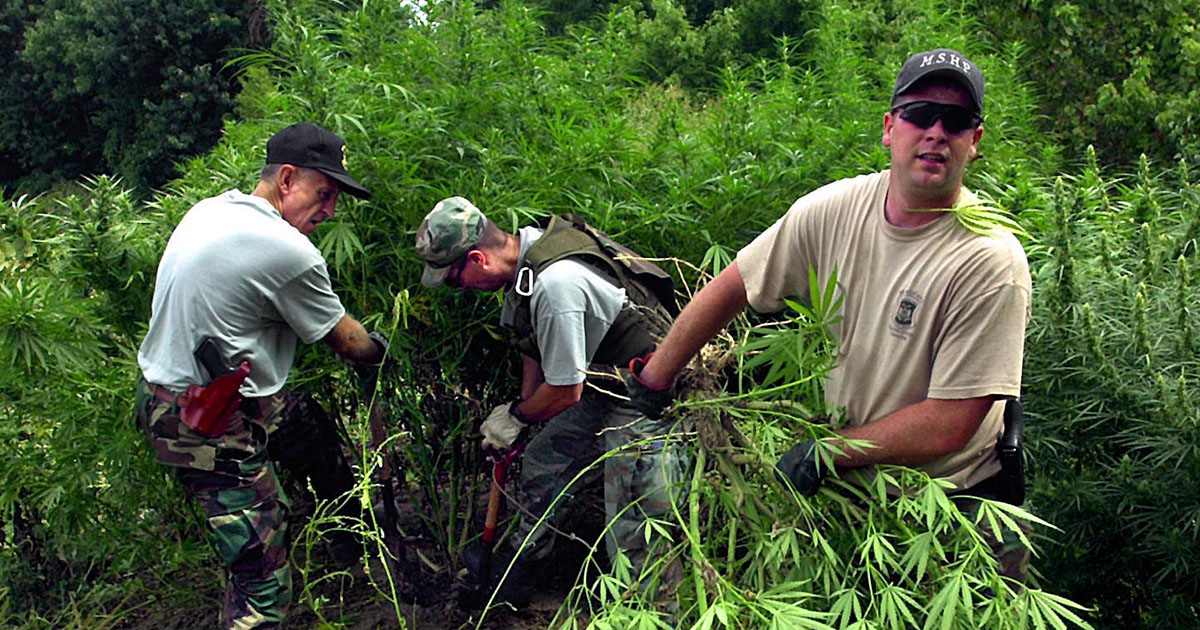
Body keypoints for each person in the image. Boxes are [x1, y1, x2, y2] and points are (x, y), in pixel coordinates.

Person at [626, 48, 1033, 582]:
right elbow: (735, 284)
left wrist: (827, 453)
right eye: (919, 114)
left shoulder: (989, 259)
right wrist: (658, 374)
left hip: (952, 514)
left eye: (956, 121)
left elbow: (950, 424)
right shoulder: (835, 209)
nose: (936, 132)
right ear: (890, 128)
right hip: (854, 496)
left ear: (974, 142)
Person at [135, 122, 388, 629]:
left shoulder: (212, 209)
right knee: (263, 580)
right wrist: (384, 352)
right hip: (203, 424)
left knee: (303, 425)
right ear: (288, 179)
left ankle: (351, 537)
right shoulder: (287, 250)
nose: (330, 211)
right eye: (325, 194)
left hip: (170, 393)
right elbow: (347, 341)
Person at [415, 198, 682, 607]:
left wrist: (517, 416)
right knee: (545, 458)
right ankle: (526, 563)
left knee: (634, 518)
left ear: (476, 259)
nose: (460, 289)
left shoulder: (556, 283)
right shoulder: (525, 263)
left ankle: (653, 607)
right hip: (604, 380)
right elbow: (533, 345)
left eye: (454, 279)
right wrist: (520, 419)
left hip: (647, 392)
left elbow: (563, 391)